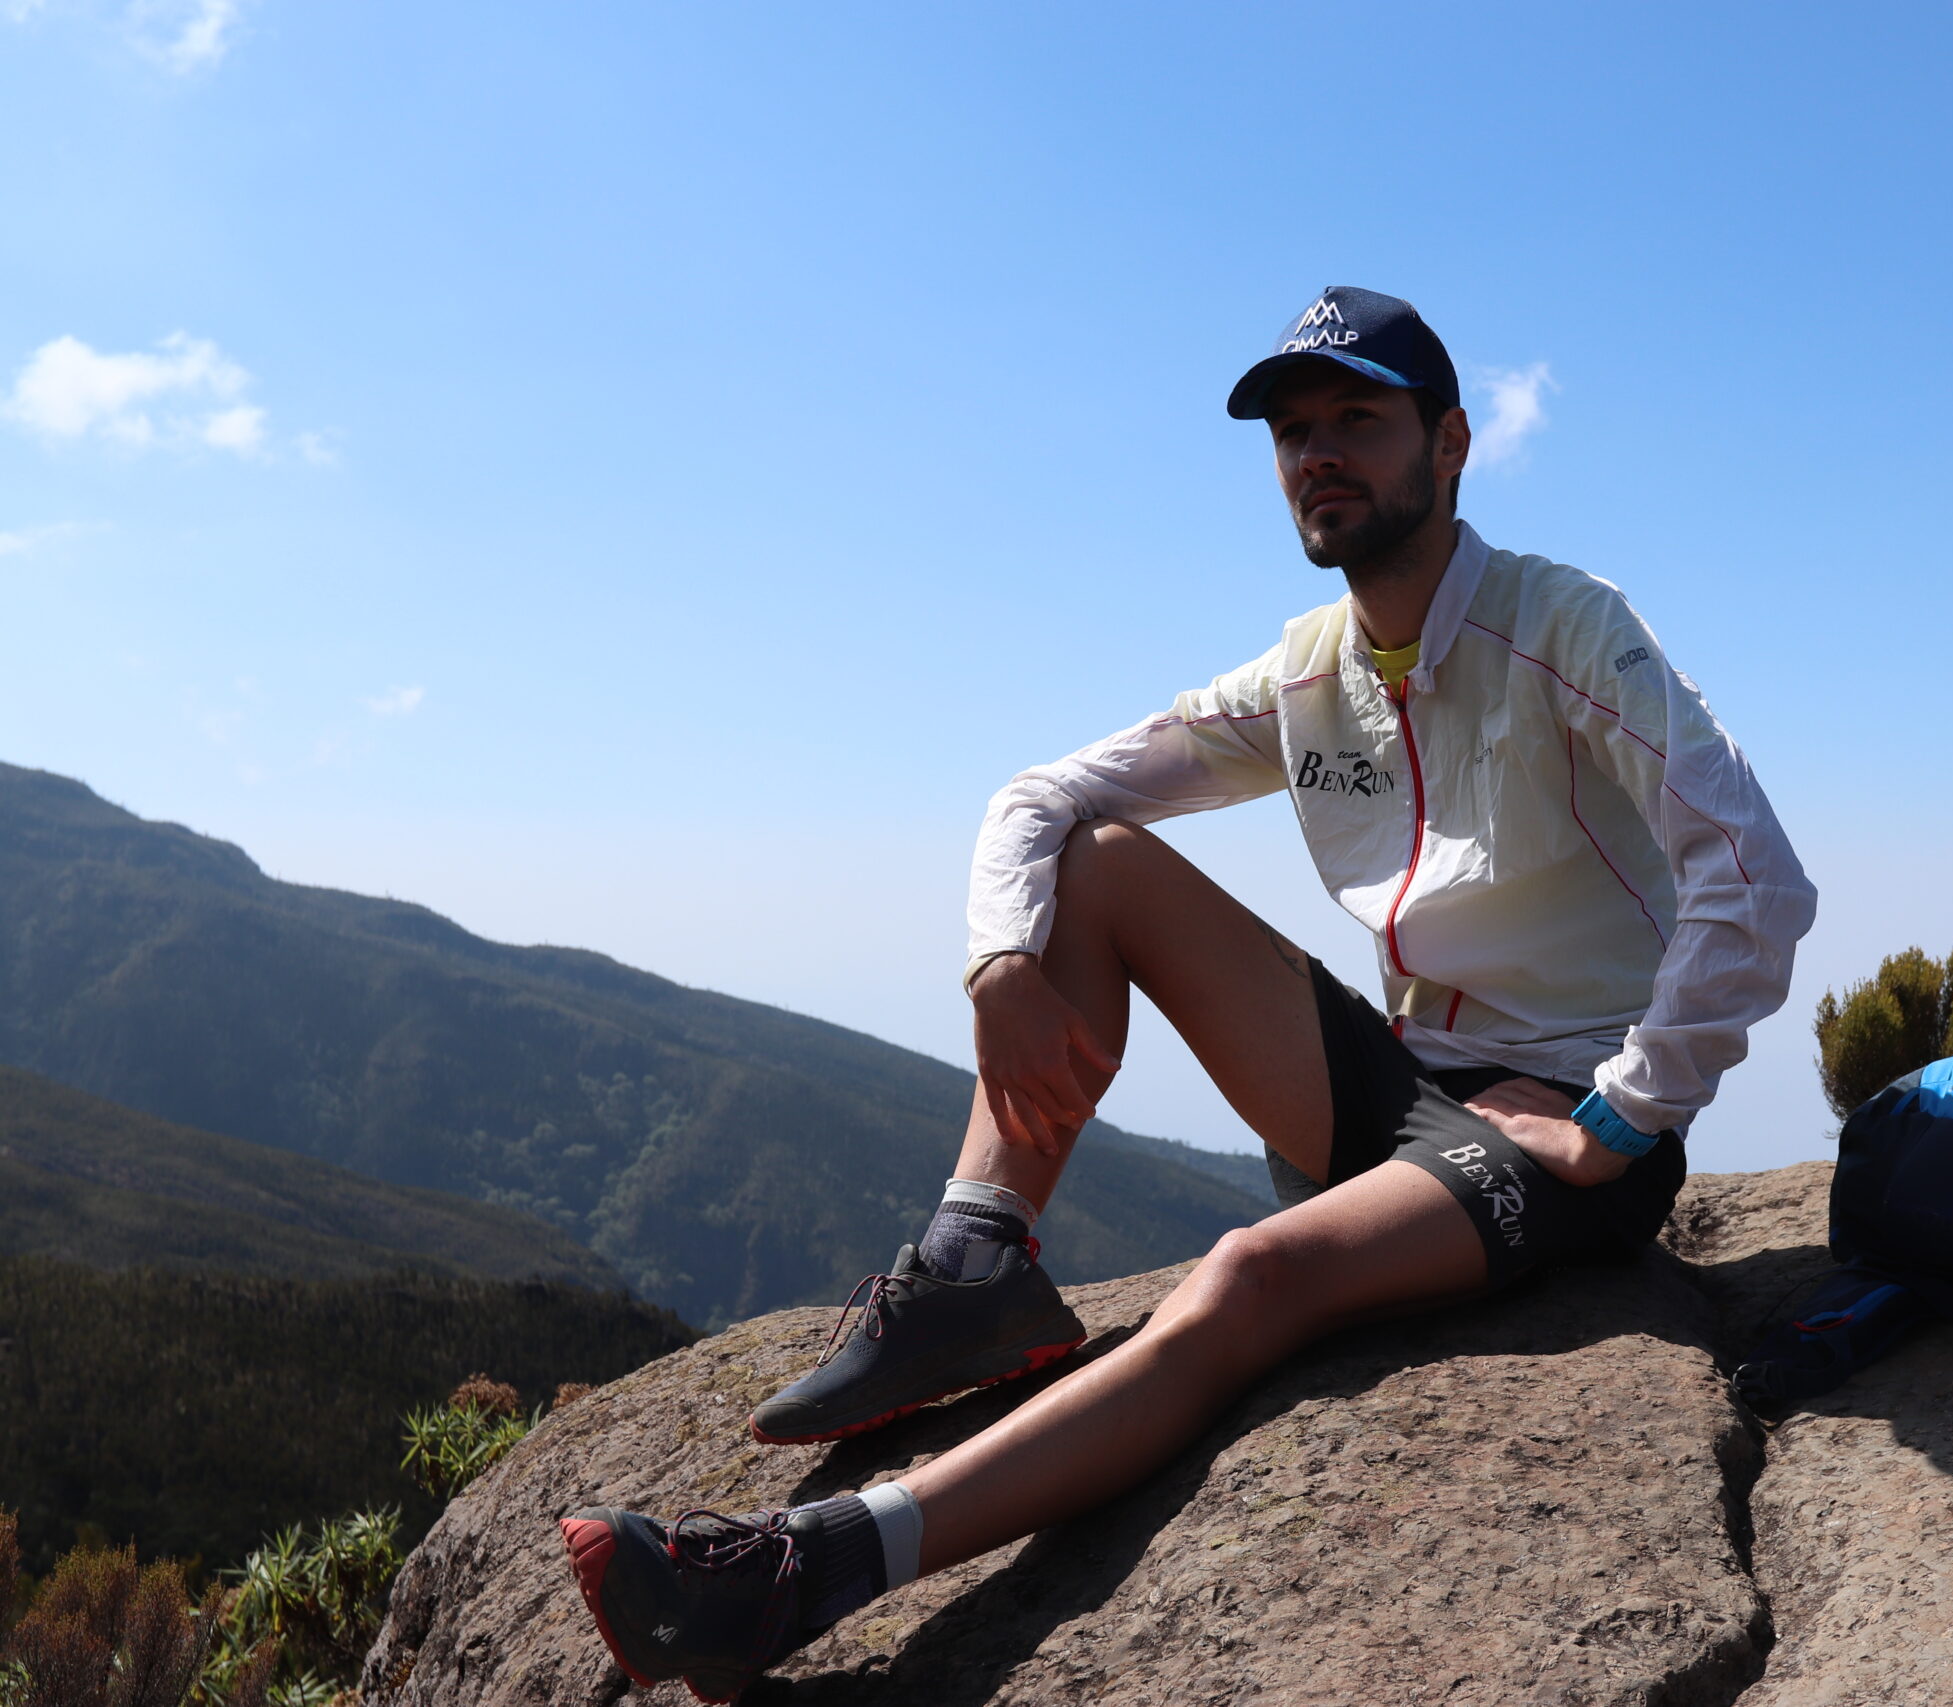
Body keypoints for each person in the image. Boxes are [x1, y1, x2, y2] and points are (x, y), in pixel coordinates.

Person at [557, 286, 1818, 1703]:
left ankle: (806, 1572)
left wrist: (1627, 1112)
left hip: (1553, 1131)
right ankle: (977, 1267)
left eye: (1358, 419)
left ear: (1451, 442)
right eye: (1293, 431)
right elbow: (1043, 796)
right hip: (1400, 1085)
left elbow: (1755, 875)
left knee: (1245, 1274)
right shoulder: (1312, 670)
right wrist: (998, 963)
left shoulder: (1565, 627)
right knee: (1093, 862)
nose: (1318, 454)